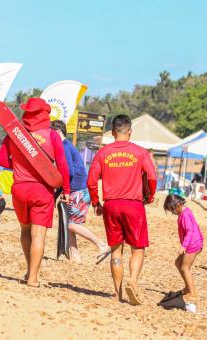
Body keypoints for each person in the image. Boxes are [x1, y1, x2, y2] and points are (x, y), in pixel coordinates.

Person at [0, 98, 70, 287]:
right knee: (39, 235)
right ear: (45, 114)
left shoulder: (14, 133)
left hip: (20, 188)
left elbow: (2, 160)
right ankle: (33, 278)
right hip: (42, 189)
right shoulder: (52, 135)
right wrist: (67, 190)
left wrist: (21, 166)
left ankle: (30, 269)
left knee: (25, 230)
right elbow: (62, 164)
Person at [87, 114, 157, 305]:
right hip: (133, 204)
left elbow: (91, 180)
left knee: (116, 251)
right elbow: (151, 176)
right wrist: (149, 196)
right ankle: (132, 281)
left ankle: (117, 294)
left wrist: (96, 203)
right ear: (130, 132)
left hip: (111, 205)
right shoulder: (140, 152)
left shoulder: (103, 153)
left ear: (112, 132)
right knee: (138, 248)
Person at [51, 120, 109, 264]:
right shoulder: (67, 145)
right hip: (77, 189)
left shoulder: (64, 147)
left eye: (51, 133)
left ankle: (101, 244)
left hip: (78, 190)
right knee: (70, 224)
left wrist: (60, 193)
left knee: (71, 225)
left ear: (58, 132)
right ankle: (75, 257)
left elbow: (68, 172)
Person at [163, 194, 204, 312]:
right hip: (193, 242)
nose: (172, 212)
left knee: (185, 267)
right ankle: (187, 288)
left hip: (193, 244)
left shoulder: (185, 214)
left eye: (172, 209)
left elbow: (190, 231)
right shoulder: (184, 212)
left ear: (179, 205)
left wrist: (183, 246)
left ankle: (192, 292)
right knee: (178, 263)